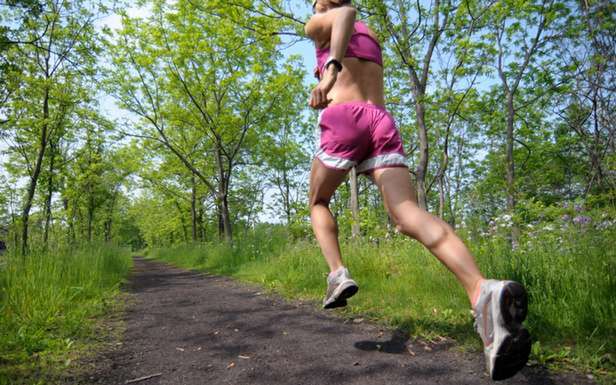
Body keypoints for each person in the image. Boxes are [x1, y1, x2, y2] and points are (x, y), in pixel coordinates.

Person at [304, 0, 531, 380]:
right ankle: (482, 292)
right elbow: (352, 20)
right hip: (380, 121)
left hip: (344, 117)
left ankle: (337, 274)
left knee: (318, 200)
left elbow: (343, 14)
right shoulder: (370, 34)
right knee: (408, 213)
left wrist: (329, 73)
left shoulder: (321, 21)